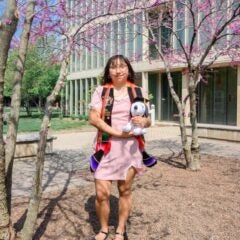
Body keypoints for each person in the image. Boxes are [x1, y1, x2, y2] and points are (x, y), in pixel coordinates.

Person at [89, 55, 151, 240]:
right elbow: (94, 118)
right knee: (101, 194)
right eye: (114, 67)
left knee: (124, 191)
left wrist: (144, 121)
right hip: (105, 148)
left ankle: (121, 229)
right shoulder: (101, 92)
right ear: (108, 71)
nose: (118, 70)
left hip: (130, 150)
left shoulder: (137, 91)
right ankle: (103, 229)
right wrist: (117, 133)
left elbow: (148, 120)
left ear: (128, 69)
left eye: (122, 66)